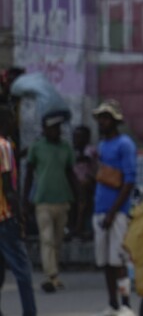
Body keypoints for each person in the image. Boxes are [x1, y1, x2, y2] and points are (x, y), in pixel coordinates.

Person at [92, 99, 137, 316]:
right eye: (101, 117)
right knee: (106, 263)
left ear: (114, 120)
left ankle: (126, 303)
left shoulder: (125, 144)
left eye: (106, 117)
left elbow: (129, 181)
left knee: (118, 260)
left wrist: (112, 212)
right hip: (100, 210)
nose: (102, 121)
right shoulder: (101, 146)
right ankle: (113, 303)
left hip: (117, 213)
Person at [24, 110, 77, 293]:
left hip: (62, 199)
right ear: (44, 129)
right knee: (46, 239)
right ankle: (51, 276)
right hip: (42, 200)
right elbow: (29, 174)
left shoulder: (65, 148)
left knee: (57, 240)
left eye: (57, 128)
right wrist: (26, 200)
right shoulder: (37, 147)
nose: (55, 131)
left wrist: (78, 197)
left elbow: (71, 173)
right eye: (52, 128)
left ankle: (54, 275)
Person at [0, 105, 36, 316]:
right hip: (5, 217)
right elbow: (8, 187)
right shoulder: (4, 146)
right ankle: (29, 312)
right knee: (22, 270)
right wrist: (20, 215)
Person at [70, 124, 97, 240]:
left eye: (79, 138)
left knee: (84, 204)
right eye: (75, 138)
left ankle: (80, 228)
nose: (76, 140)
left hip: (88, 183)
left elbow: (87, 159)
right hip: (75, 184)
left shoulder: (89, 150)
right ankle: (74, 227)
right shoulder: (73, 151)